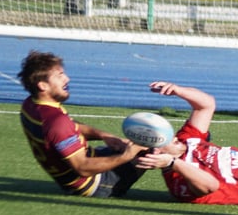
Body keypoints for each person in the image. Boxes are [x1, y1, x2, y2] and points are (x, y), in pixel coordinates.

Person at [17, 50, 146, 197]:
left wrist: (103, 135)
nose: (67, 79)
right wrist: (127, 156)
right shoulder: (57, 122)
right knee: (152, 145)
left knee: (134, 145)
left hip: (83, 165)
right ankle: (178, 191)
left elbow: (69, 128)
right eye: (59, 76)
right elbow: (82, 167)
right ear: (43, 86)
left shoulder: (31, 105)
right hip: (96, 184)